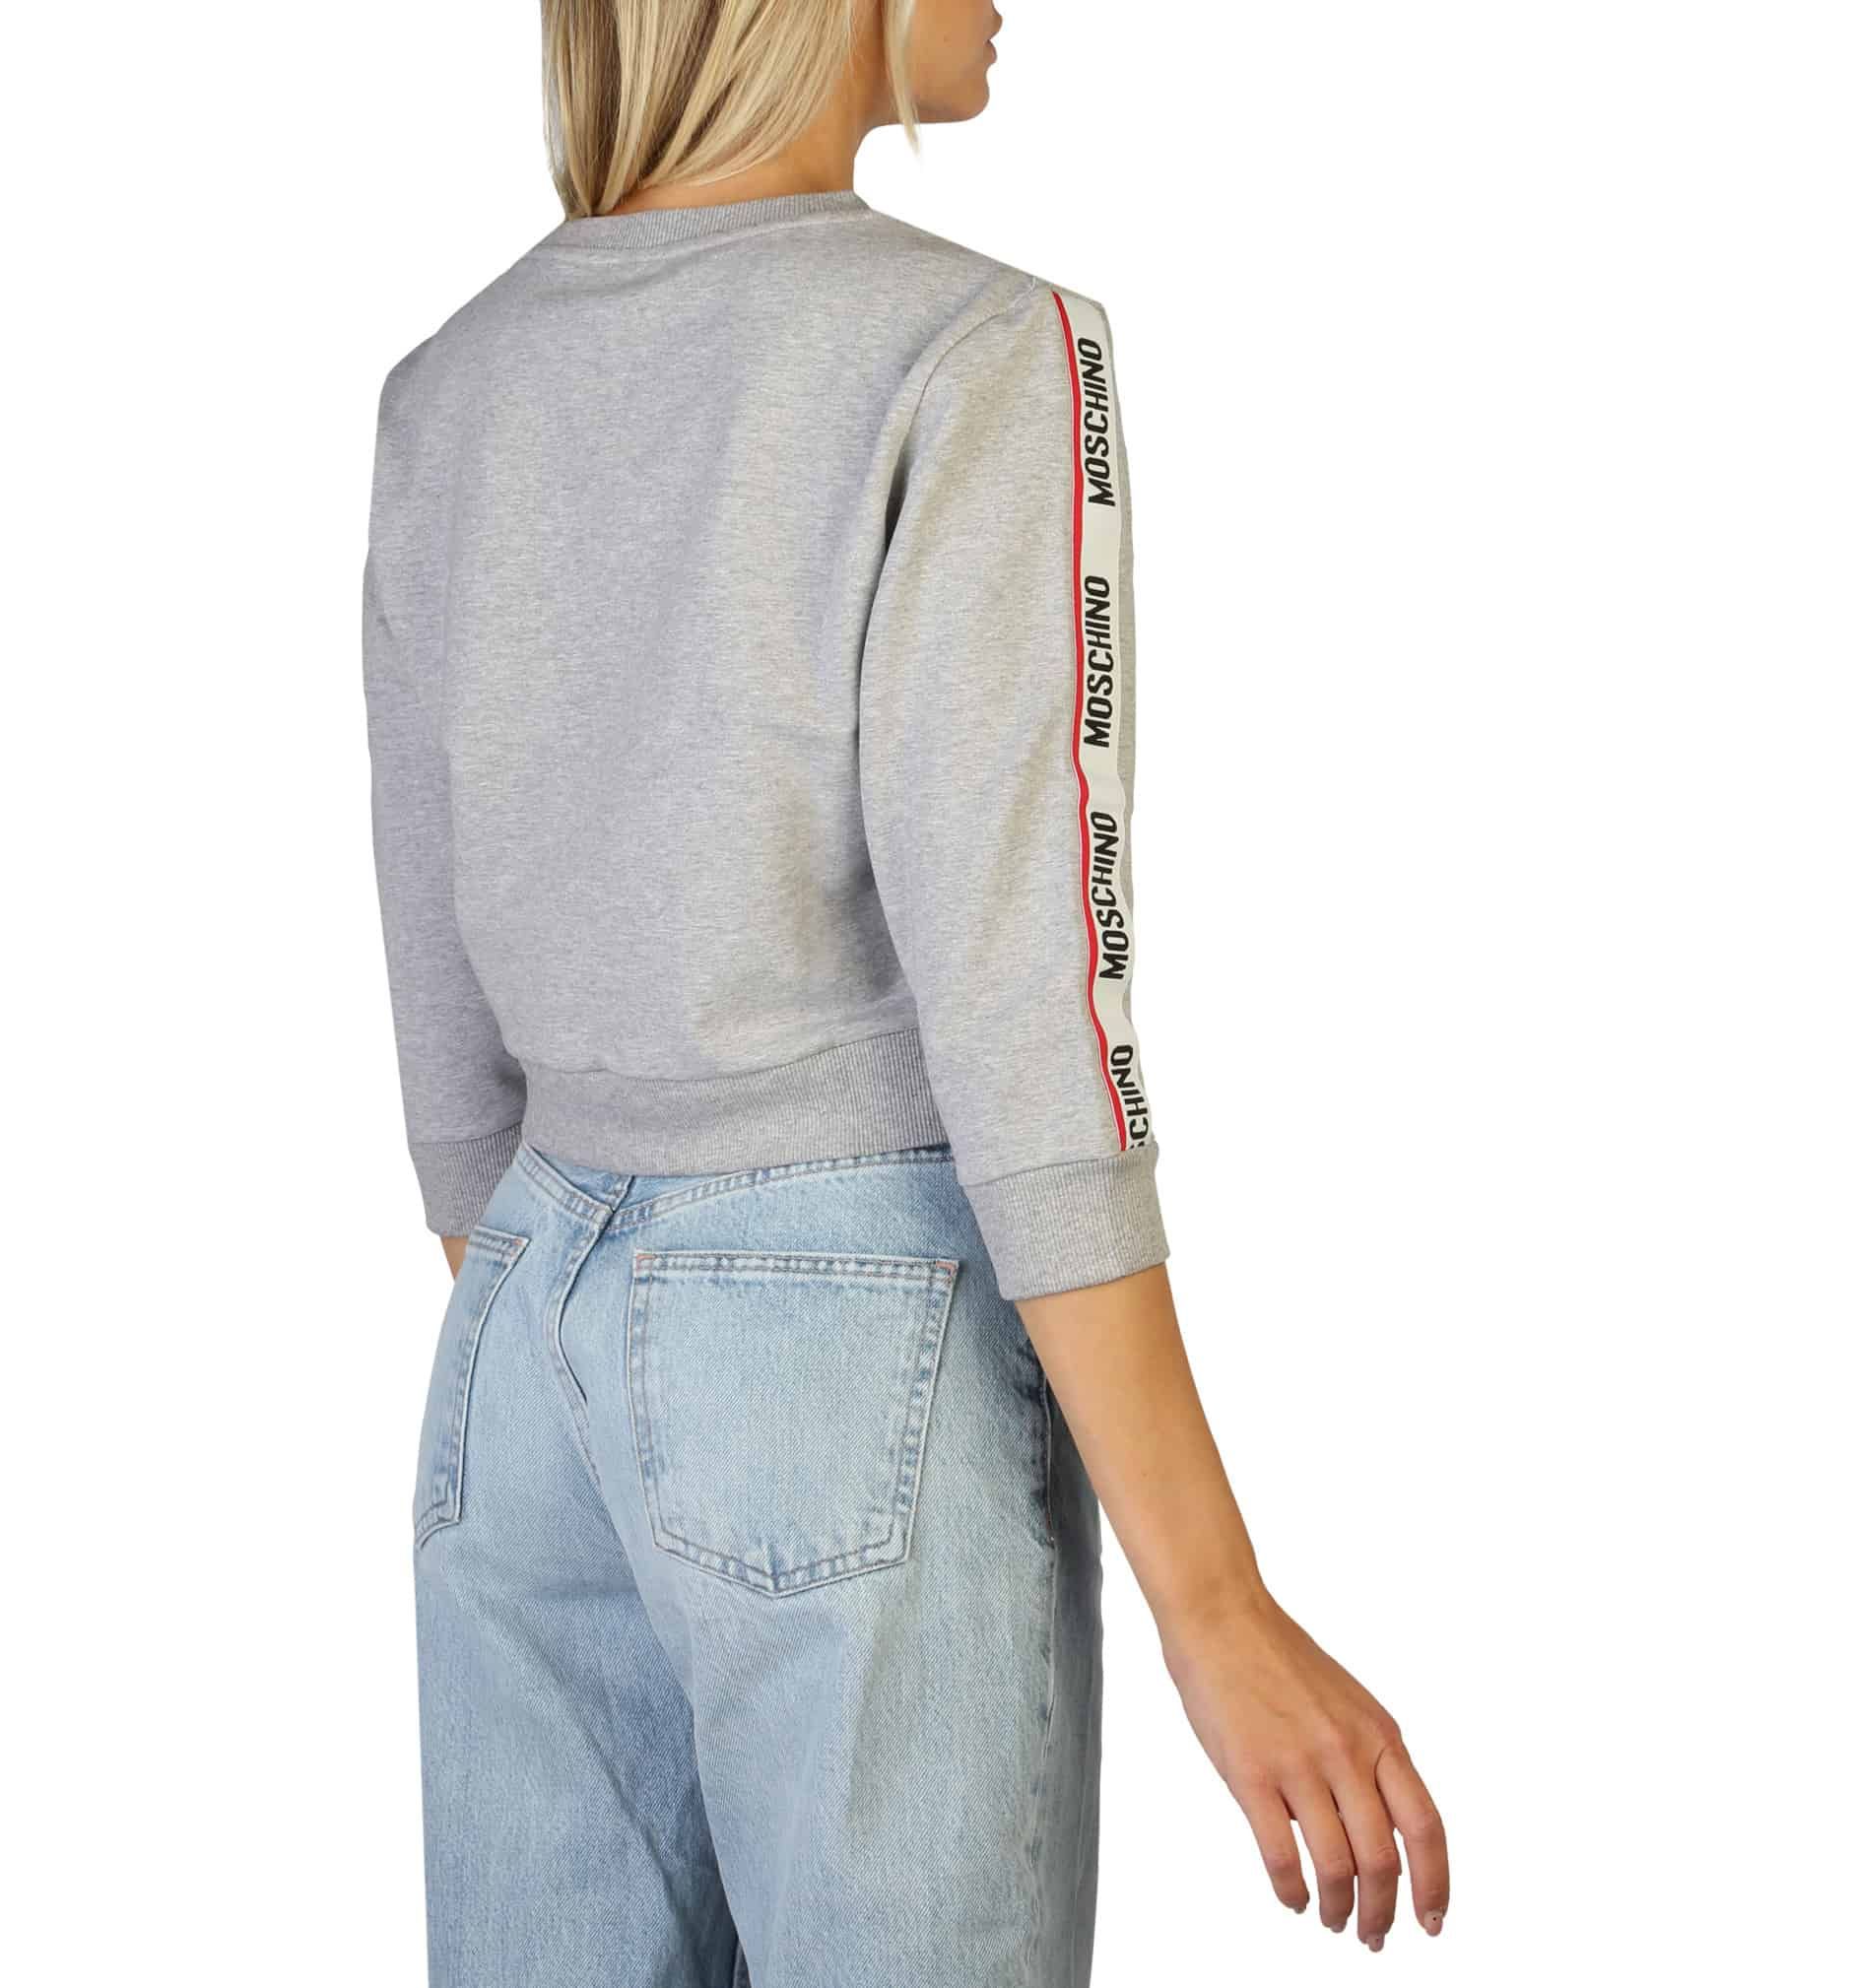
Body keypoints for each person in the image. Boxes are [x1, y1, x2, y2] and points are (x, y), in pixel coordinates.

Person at [361, 3, 1449, 1980]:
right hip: (847, 1341)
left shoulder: (453, 383)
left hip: (516, 1348)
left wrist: (605, 1341)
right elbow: (1034, 1005)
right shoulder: (967, 350)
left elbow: (446, 1047)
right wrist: (1214, 1603)